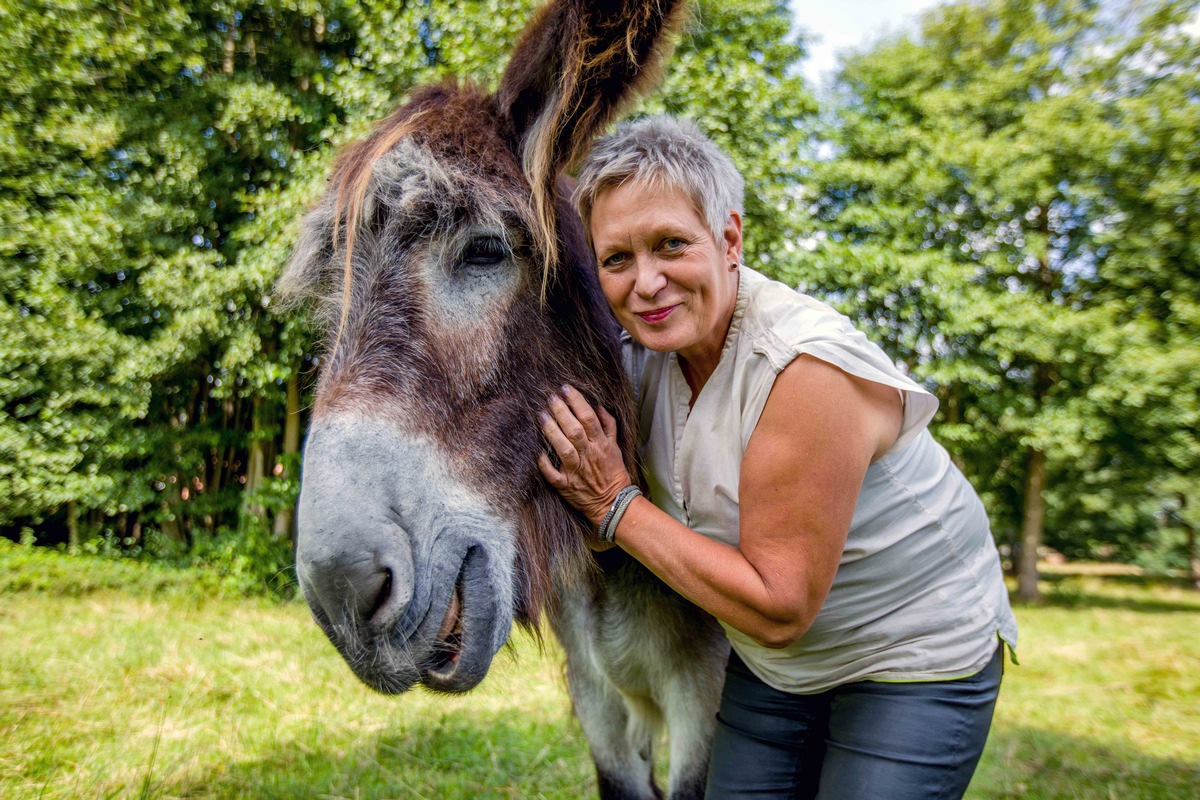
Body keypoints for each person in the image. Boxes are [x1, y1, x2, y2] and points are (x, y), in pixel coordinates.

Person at [537, 116, 1018, 800]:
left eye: (671, 244)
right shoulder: (638, 356)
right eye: (617, 259)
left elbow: (778, 607)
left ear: (729, 239)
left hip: (910, 651)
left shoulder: (802, 369)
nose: (646, 283)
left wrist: (616, 506)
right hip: (777, 668)